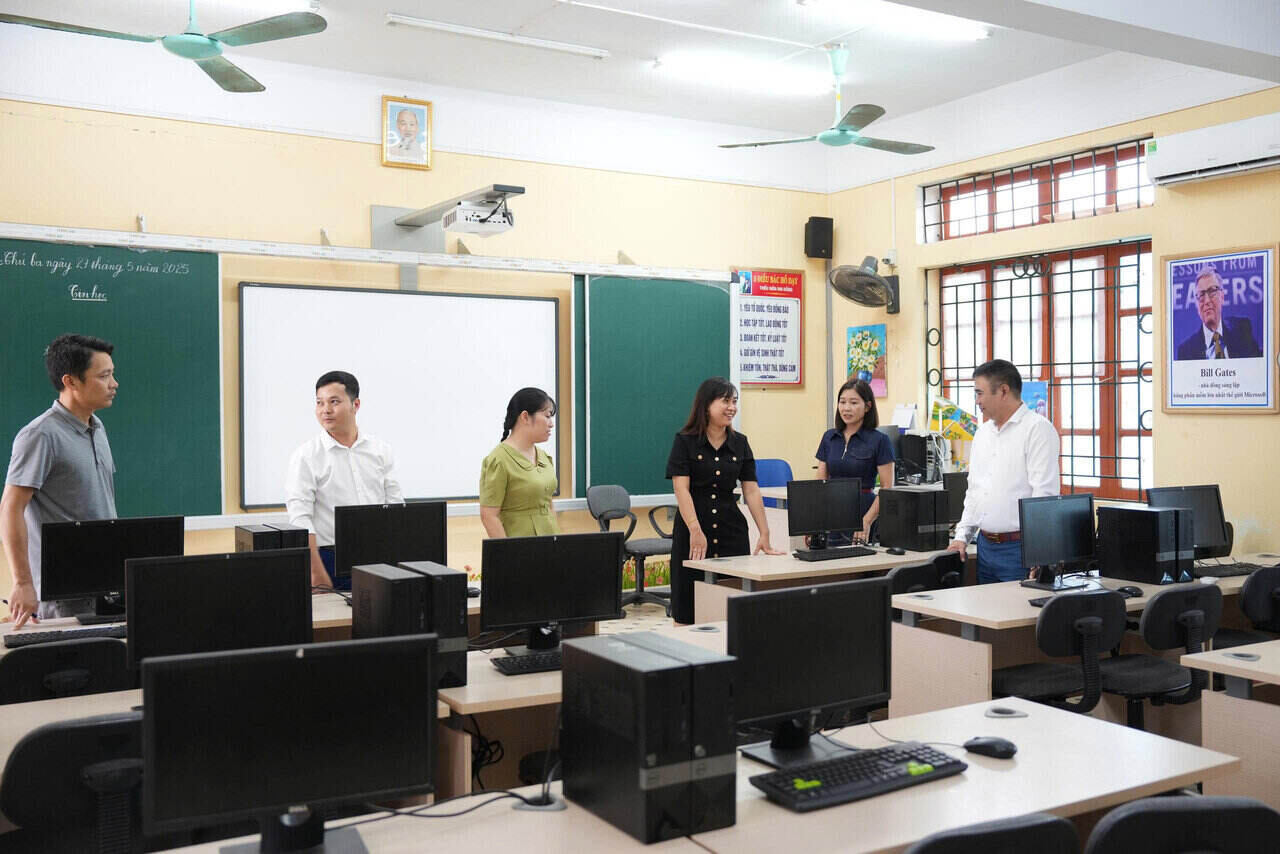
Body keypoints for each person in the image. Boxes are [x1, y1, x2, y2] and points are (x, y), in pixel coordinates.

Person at [2, 334, 119, 627]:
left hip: (104, 583)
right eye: (104, 376)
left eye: (112, 374)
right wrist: (22, 583)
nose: (114, 384)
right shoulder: (40, 435)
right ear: (71, 381)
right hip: (62, 593)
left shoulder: (97, 427)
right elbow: (10, 508)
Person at [666, 377, 783, 624]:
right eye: (725, 401)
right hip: (693, 532)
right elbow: (681, 489)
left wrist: (764, 532)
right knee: (687, 608)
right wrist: (695, 529)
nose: (732, 408)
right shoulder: (684, 441)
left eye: (734, 402)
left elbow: (751, 490)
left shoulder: (740, 443)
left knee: (732, 608)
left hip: (732, 531)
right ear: (706, 405)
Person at [285, 371, 403, 588]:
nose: (325, 410)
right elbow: (300, 519)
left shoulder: (380, 450)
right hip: (329, 559)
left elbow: (395, 506)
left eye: (334, 402)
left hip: (379, 558)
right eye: (320, 403)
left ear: (355, 405)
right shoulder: (306, 456)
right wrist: (315, 572)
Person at [947, 359, 1060, 584]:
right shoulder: (982, 433)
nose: (977, 401)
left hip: (1019, 549)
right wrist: (961, 537)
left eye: (980, 393)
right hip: (985, 547)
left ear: (1003, 391)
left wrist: (1039, 551)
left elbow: (1044, 495)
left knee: (1016, 607)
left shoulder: (1037, 429)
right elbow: (975, 491)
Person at [814, 379, 895, 544]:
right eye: (842, 402)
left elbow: (887, 488)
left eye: (853, 402)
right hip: (832, 512)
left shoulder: (880, 440)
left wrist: (867, 521)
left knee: (860, 558)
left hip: (863, 511)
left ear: (867, 406)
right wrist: (813, 522)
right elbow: (819, 483)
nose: (846, 408)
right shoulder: (829, 437)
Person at [479, 388, 560, 538]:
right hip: (519, 545)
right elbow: (489, 516)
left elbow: (548, 504)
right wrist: (507, 550)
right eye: (547, 416)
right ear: (525, 417)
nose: (551, 424)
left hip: (550, 543)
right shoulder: (499, 460)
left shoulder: (544, 457)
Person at [1175, 265, 1262, 360]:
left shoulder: (1242, 331)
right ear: (1196, 304)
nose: (1207, 301)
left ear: (1222, 297)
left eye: (1212, 291)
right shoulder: (1186, 351)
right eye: (1201, 295)